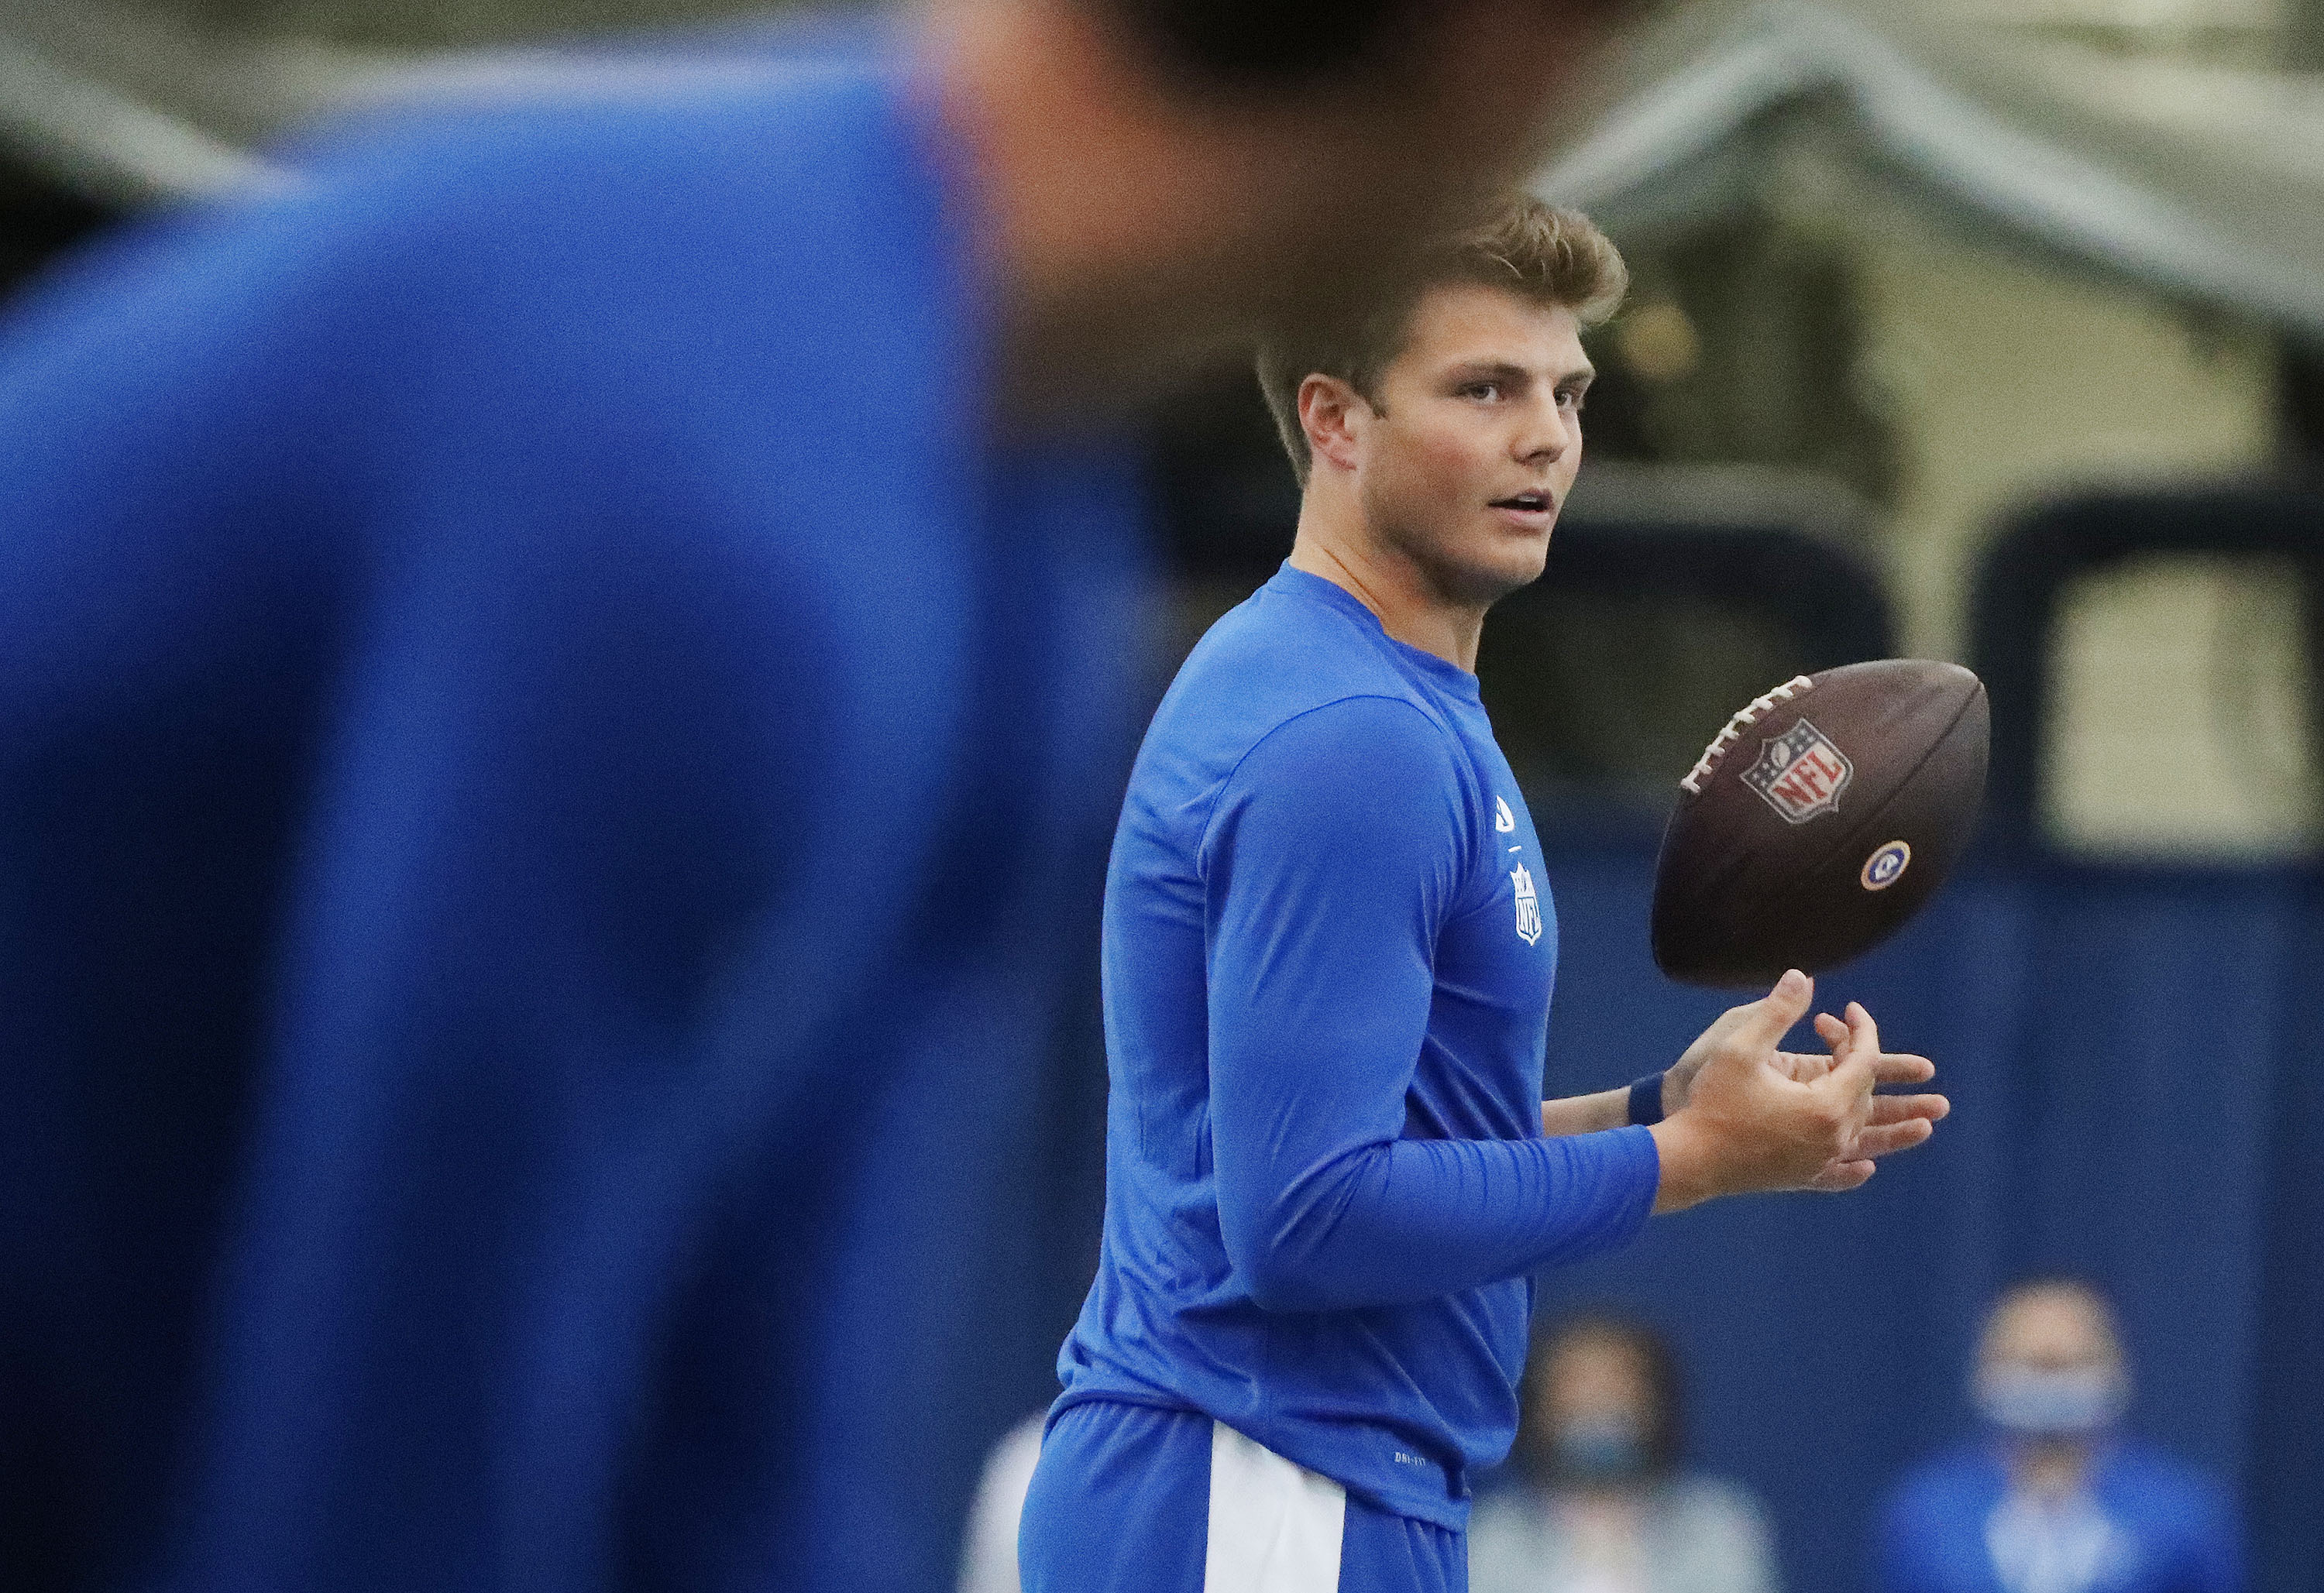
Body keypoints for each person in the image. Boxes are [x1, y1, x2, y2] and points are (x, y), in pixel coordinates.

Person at [0, 3, 1668, 1591]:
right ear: (1512, 52)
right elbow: (394, 1468)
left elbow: (739, 1450)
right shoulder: (708, 505)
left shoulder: (1008, 530)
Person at [1017, 196, 1950, 1593]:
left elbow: (1380, 1146)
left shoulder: (1385, 698)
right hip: (1261, 1484)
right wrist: (1690, 1163)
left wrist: (1662, 1114)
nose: (1547, 437)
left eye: (1566, 390)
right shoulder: (1352, 736)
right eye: (1486, 388)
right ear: (1336, 422)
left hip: (1306, 1478)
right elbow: (1311, 1220)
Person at [1877, 1278, 2242, 1593]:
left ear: (2114, 1370)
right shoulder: (1928, 1512)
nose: (2049, 1384)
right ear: (1985, 1371)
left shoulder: (2181, 1512)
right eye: (2030, 1364)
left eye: (2067, 1364)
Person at [1468, 1313, 1781, 1593]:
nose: (1595, 1404)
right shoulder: (1490, 1539)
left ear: (1656, 1406)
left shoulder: (1718, 1527)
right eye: (1577, 1384)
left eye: (1614, 1383)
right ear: (1540, 1410)